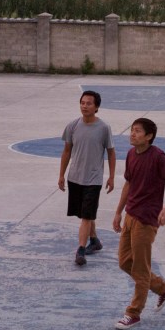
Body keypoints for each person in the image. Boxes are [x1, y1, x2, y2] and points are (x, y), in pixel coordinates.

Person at [111, 117, 165, 329]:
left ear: (149, 136)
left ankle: (133, 313)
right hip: (131, 215)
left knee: (141, 268)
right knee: (125, 262)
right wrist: (118, 212)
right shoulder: (132, 154)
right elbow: (128, 184)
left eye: (138, 131)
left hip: (146, 219)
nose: (132, 134)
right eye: (132, 130)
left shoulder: (158, 157)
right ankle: (162, 288)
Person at [58, 90, 116, 266]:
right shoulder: (72, 126)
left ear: (96, 107)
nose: (85, 106)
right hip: (75, 177)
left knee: (86, 215)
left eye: (89, 103)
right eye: (82, 103)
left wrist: (111, 177)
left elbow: (111, 153)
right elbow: (67, 151)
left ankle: (81, 250)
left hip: (94, 179)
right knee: (85, 214)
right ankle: (94, 240)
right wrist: (61, 175)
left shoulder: (104, 128)